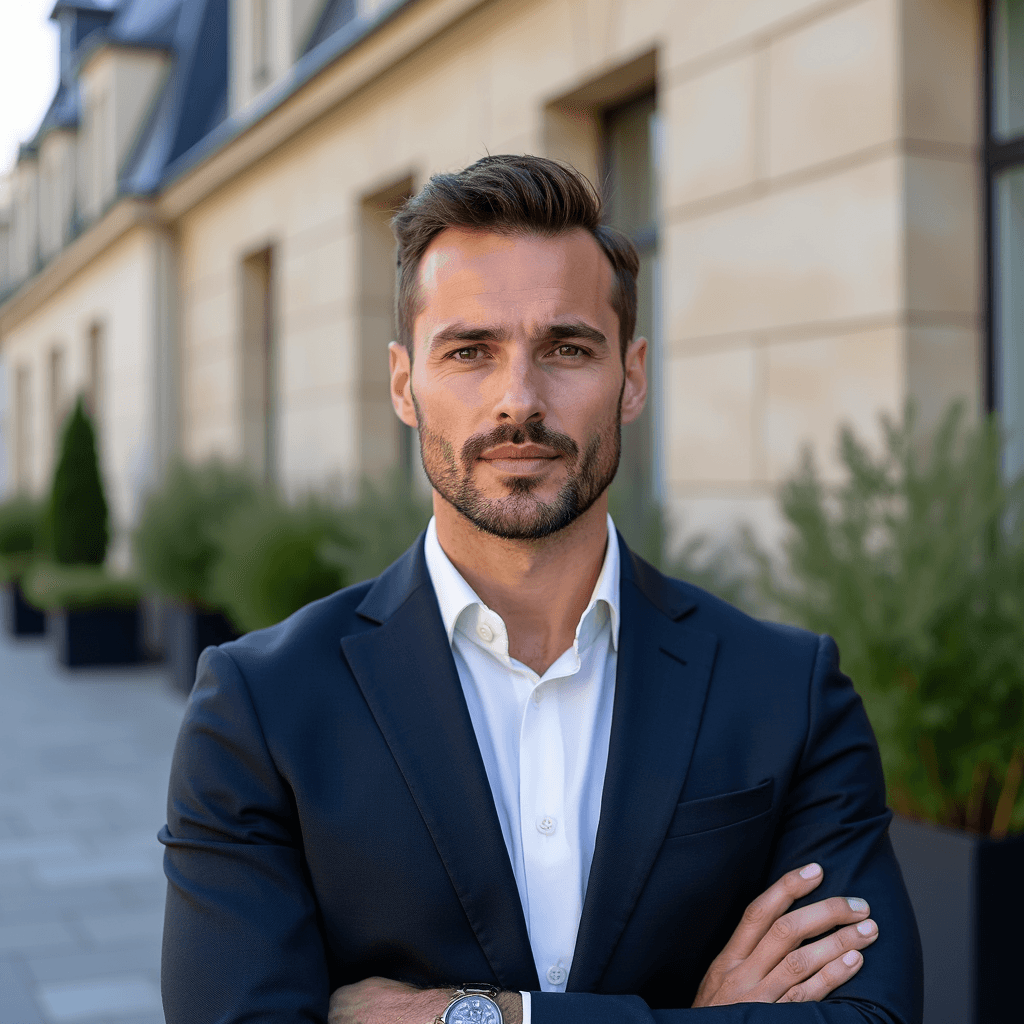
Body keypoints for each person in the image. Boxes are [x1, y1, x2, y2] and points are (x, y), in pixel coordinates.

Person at [159, 155, 922, 1024]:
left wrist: (478, 1016)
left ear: (632, 377)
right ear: (405, 385)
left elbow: (873, 1018)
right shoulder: (259, 707)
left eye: (567, 348)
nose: (518, 400)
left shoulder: (790, 692)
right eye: (469, 351)